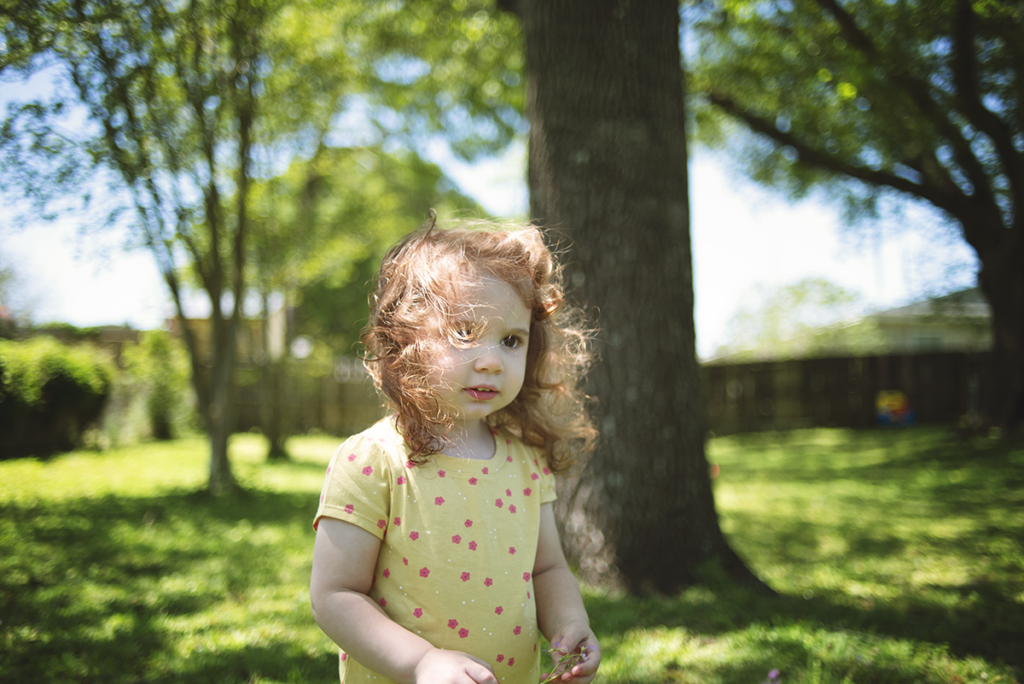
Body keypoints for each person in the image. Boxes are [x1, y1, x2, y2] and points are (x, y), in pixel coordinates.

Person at [310, 213, 601, 684]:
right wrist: (421, 661)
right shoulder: (374, 460)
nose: (490, 361)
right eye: (464, 333)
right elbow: (335, 595)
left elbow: (547, 569)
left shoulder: (526, 461)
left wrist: (570, 624)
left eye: (511, 339)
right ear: (405, 341)